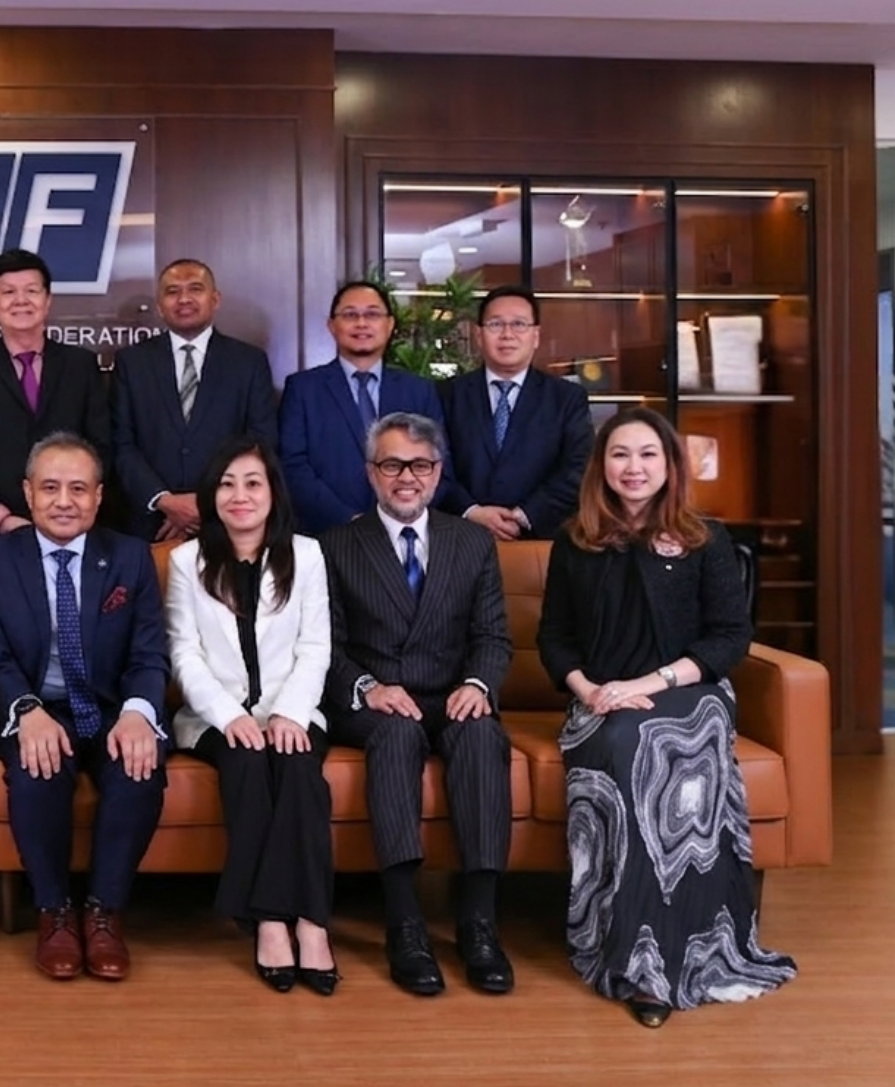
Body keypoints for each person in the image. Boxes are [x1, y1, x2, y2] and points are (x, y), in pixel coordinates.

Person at [538, 407, 796, 1029]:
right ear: (602, 466)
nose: (634, 467)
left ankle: (675, 956)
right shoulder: (576, 542)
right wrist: (591, 691)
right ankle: (632, 955)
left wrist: (648, 684)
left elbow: (729, 638)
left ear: (670, 464)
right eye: (620, 454)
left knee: (657, 745)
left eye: (648, 454)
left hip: (689, 693)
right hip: (602, 700)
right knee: (623, 737)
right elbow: (555, 639)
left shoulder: (705, 539)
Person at [319, 411, 514, 998]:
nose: (407, 477)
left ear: (437, 472)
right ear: (370, 473)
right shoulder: (334, 545)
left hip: (452, 693)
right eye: (392, 464)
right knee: (395, 735)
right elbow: (324, 645)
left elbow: (492, 636)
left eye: (420, 465)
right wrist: (368, 688)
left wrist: (477, 685)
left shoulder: (471, 541)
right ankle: (404, 924)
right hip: (375, 701)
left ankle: (479, 922)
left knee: (483, 736)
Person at [0, 432, 167, 982]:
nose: (64, 501)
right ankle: (53, 911)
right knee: (38, 770)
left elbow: (149, 652)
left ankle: (104, 913)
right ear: (28, 493)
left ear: (99, 496)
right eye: (50, 487)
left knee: (140, 770)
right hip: (37, 705)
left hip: (109, 707)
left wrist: (139, 712)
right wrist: (26, 710)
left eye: (78, 489)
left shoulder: (130, 557)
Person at [164, 437, 336, 995]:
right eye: (227, 484)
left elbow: (316, 647)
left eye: (253, 483)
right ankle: (270, 921)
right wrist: (226, 714)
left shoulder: (306, 555)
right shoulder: (186, 561)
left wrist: (289, 713)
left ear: (273, 493)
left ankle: (311, 923)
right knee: (245, 765)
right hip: (213, 717)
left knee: (300, 771)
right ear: (212, 496)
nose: (240, 495)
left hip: (293, 708)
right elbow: (183, 653)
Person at [0, 249, 111, 553]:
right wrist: (0, 517)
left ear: (47, 301)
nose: (21, 300)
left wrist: (70, 507)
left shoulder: (81, 365)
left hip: (72, 527)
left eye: (32, 291)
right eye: (9, 292)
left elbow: (100, 446)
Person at [112, 259, 279, 541]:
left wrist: (207, 501)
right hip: (152, 526)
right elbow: (121, 443)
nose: (184, 299)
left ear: (215, 300)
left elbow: (261, 441)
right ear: (159, 306)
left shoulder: (248, 362)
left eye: (195, 289)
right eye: (173, 291)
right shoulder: (132, 362)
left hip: (226, 521)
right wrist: (164, 500)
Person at [279, 280, 448, 536]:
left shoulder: (419, 391)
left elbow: (438, 463)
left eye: (372, 314)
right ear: (332, 325)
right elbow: (292, 466)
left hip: (404, 534)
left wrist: (397, 518)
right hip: (327, 533)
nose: (361, 323)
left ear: (389, 325)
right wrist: (348, 519)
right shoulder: (303, 388)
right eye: (350, 315)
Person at [436, 286, 592, 540]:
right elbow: (433, 464)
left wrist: (524, 515)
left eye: (519, 324)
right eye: (495, 324)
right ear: (478, 335)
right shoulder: (447, 394)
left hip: (540, 540)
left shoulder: (566, 398)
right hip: (460, 538)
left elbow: (579, 468)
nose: (507, 334)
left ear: (536, 336)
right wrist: (471, 511)